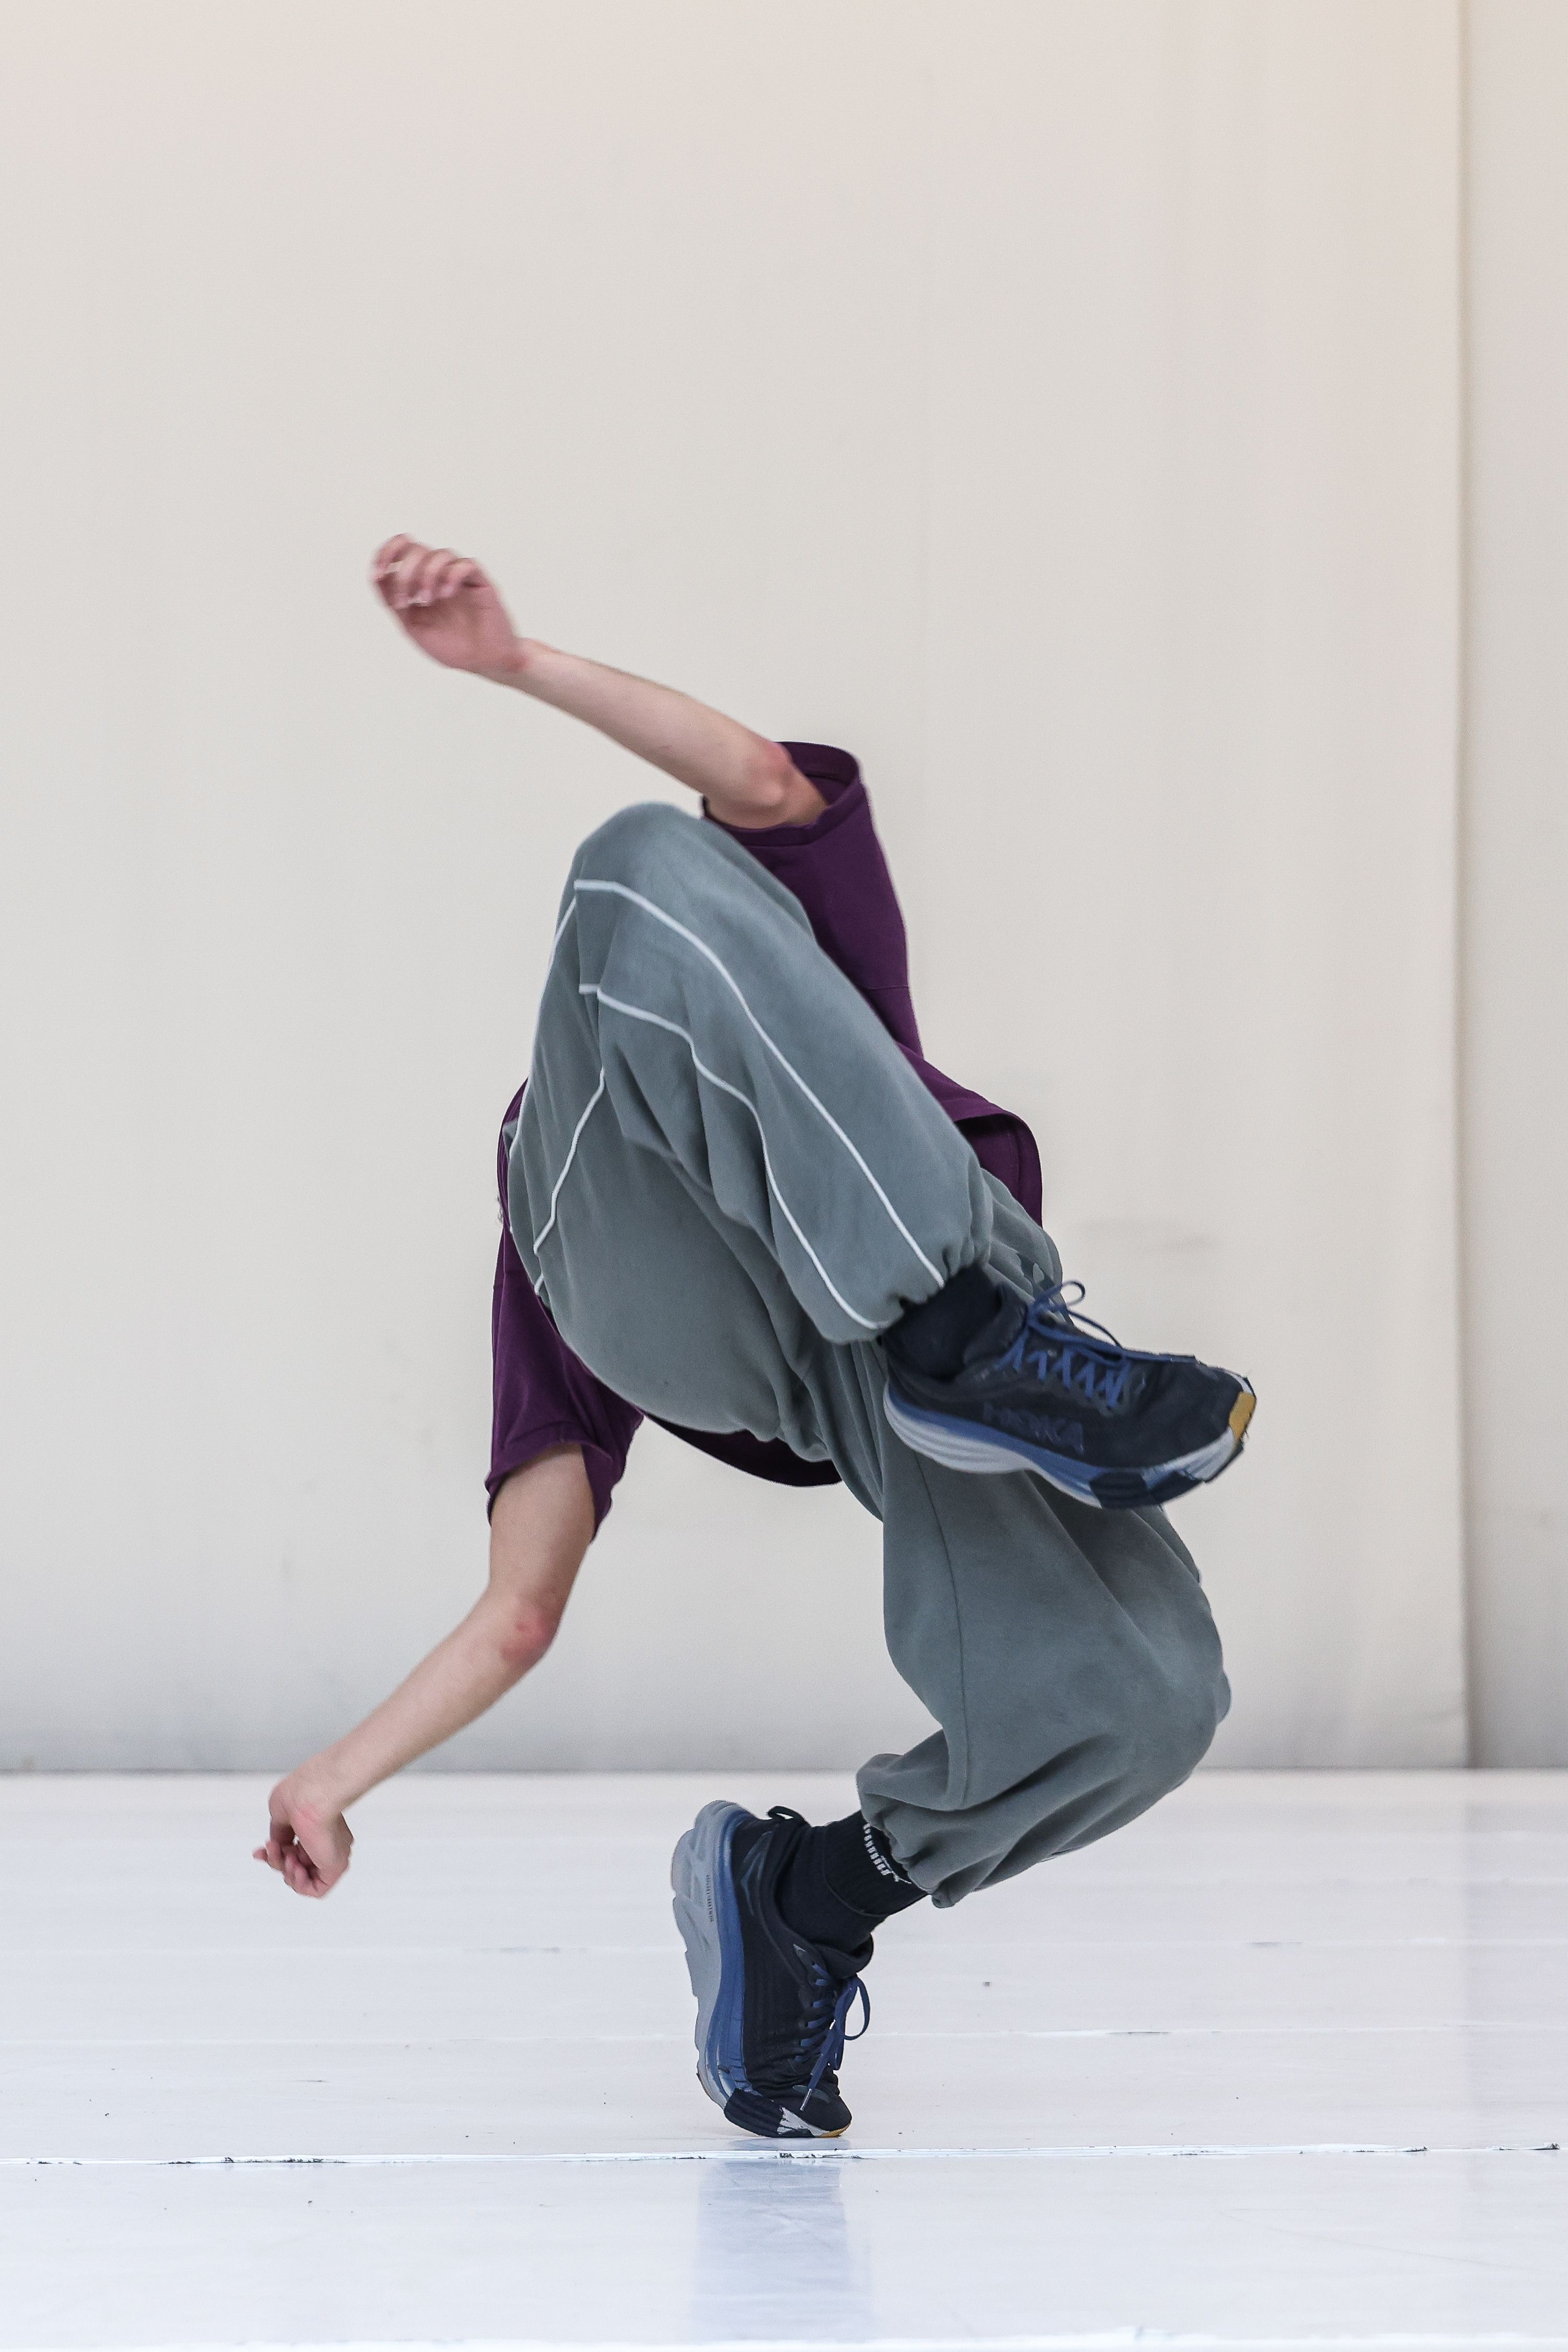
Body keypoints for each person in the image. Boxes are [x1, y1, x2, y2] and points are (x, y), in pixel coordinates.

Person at [255, 535, 1253, 2141]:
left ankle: (804, 1897)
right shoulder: (622, 1063)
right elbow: (518, 1598)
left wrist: (328, 1781)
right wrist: (338, 1773)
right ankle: (968, 1339)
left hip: (883, 1376)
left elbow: (770, 782)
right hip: (679, 1277)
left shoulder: (815, 959)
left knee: (1149, 1693)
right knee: (637, 862)